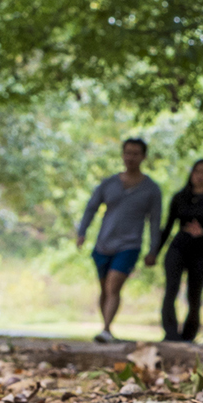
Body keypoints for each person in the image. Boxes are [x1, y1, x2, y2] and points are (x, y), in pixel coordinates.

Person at [76, 138, 164, 343]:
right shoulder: (109, 183)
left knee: (113, 287)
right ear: (122, 155)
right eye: (127, 152)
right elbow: (91, 207)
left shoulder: (151, 189)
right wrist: (82, 232)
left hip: (129, 245)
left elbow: (155, 221)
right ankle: (105, 326)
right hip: (103, 243)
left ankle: (106, 329)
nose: (131, 157)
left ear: (143, 157)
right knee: (104, 288)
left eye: (135, 153)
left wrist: (153, 250)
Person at [161, 159, 203, 342]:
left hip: (201, 250)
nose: (200, 176)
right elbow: (168, 227)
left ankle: (189, 335)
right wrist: (154, 252)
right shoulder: (179, 197)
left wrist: (202, 231)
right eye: (197, 171)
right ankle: (170, 333)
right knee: (171, 289)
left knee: (194, 294)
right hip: (179, 247)